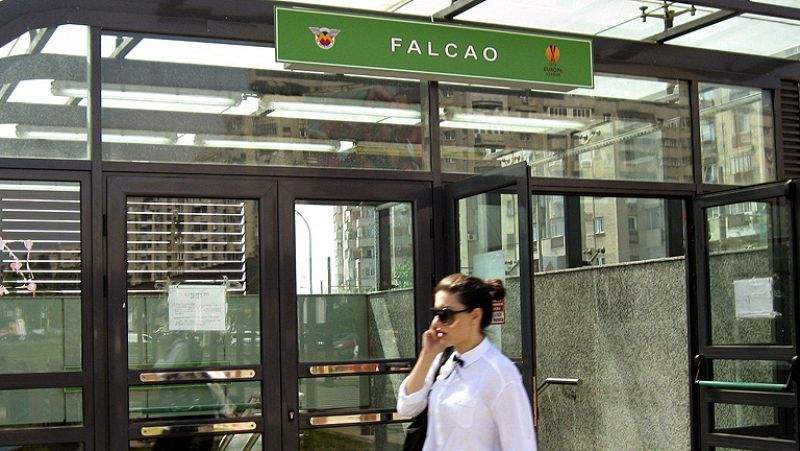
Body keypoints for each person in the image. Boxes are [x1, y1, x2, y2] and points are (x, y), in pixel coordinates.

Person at [397, 274, 537, 450]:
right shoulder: (443, 361)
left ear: (475, 316)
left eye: (445, 314)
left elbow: (521, 445)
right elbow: (406, 407)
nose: (436, 323)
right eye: (435, 313)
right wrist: (427, 354)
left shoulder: (500, 373)